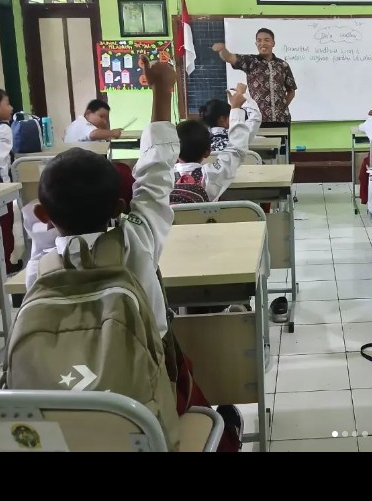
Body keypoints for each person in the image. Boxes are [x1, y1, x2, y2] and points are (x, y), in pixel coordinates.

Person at [21, 56, 242, 451]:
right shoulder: (135, 244)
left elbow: (155, 173)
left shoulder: (39, 267)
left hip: (60, 423)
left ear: (43, 215)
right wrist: (162, 90)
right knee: (214, 424)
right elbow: (156, 171)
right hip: (141, 412)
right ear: (121, 207)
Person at [211, 28, 297, 150]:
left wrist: (281, 107)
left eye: (266, 40)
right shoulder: (251, 61)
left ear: (273, 43)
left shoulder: (283, 65)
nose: (263, 43)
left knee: (283, 153)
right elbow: (229, 57)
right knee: (261, 154)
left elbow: (291, 91)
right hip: (258, 121)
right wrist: (222, 50)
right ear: (256, 43)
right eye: (259, 40)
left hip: (281, 120)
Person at [171, 88, 250, 204]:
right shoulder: (211, 175)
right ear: (207, 151)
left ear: (174, 151)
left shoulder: (163, 178)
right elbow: (237, 150)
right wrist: (236, 109)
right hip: (205, 222)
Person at [0, 87, 21, 274]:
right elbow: (2, 162)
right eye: (7, 103)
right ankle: (6, 264)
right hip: (0, 185)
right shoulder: (3, 128)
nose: (11, 108)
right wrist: (8, 189)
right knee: (4, 224)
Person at [199, 83, 263, 151]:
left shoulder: (200, 140)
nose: (232, 116)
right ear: (222, 119)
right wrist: (242, 95)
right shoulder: (237, 135)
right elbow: (255, 118)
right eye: (230, 114)